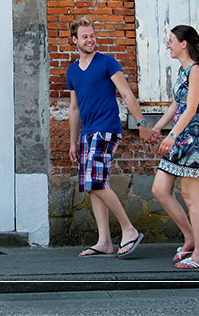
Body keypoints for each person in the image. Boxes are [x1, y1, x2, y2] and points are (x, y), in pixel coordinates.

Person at [66, 16, 151, 258]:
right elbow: (74, 109)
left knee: (95, 181)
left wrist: (142, 123)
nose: (90, 40)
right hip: (87, 132)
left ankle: (129, 229)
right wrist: (73, 141)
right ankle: (104, 241)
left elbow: (126, 93)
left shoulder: (107, 63)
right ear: (75, 40)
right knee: (93, 186)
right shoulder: (72, 71)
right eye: (85, 37)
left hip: (107, 128)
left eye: (92, 35)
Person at [147, 24, 199, 270]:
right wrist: (158, 127)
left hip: (192, 140)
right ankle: (189, 237)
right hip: (179, 138)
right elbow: (176, 105)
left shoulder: (195, 70)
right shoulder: (182, 70)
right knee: (159, 189)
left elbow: (191, 107)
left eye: (171, 41)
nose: (168, 45)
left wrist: (172, 135)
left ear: (183, 43)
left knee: (191, 198)